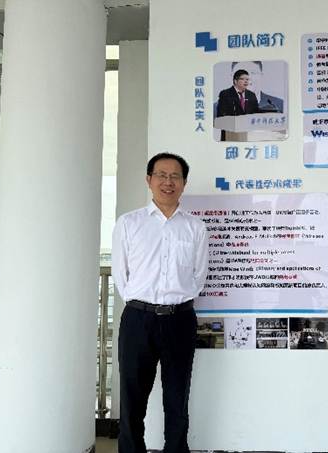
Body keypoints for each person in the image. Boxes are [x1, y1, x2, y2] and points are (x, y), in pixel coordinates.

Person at [112, 152, 209, 453]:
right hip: (138, 318)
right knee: (132, 394)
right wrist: (143, 304)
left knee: (177, 395)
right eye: (161, 175)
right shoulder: (129, 223)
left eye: (175, 176)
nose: (168, 182)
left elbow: (199, 276)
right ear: (149, 179)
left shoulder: (195, 227)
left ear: (184, 183)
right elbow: (120, 274)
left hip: (180, 319)